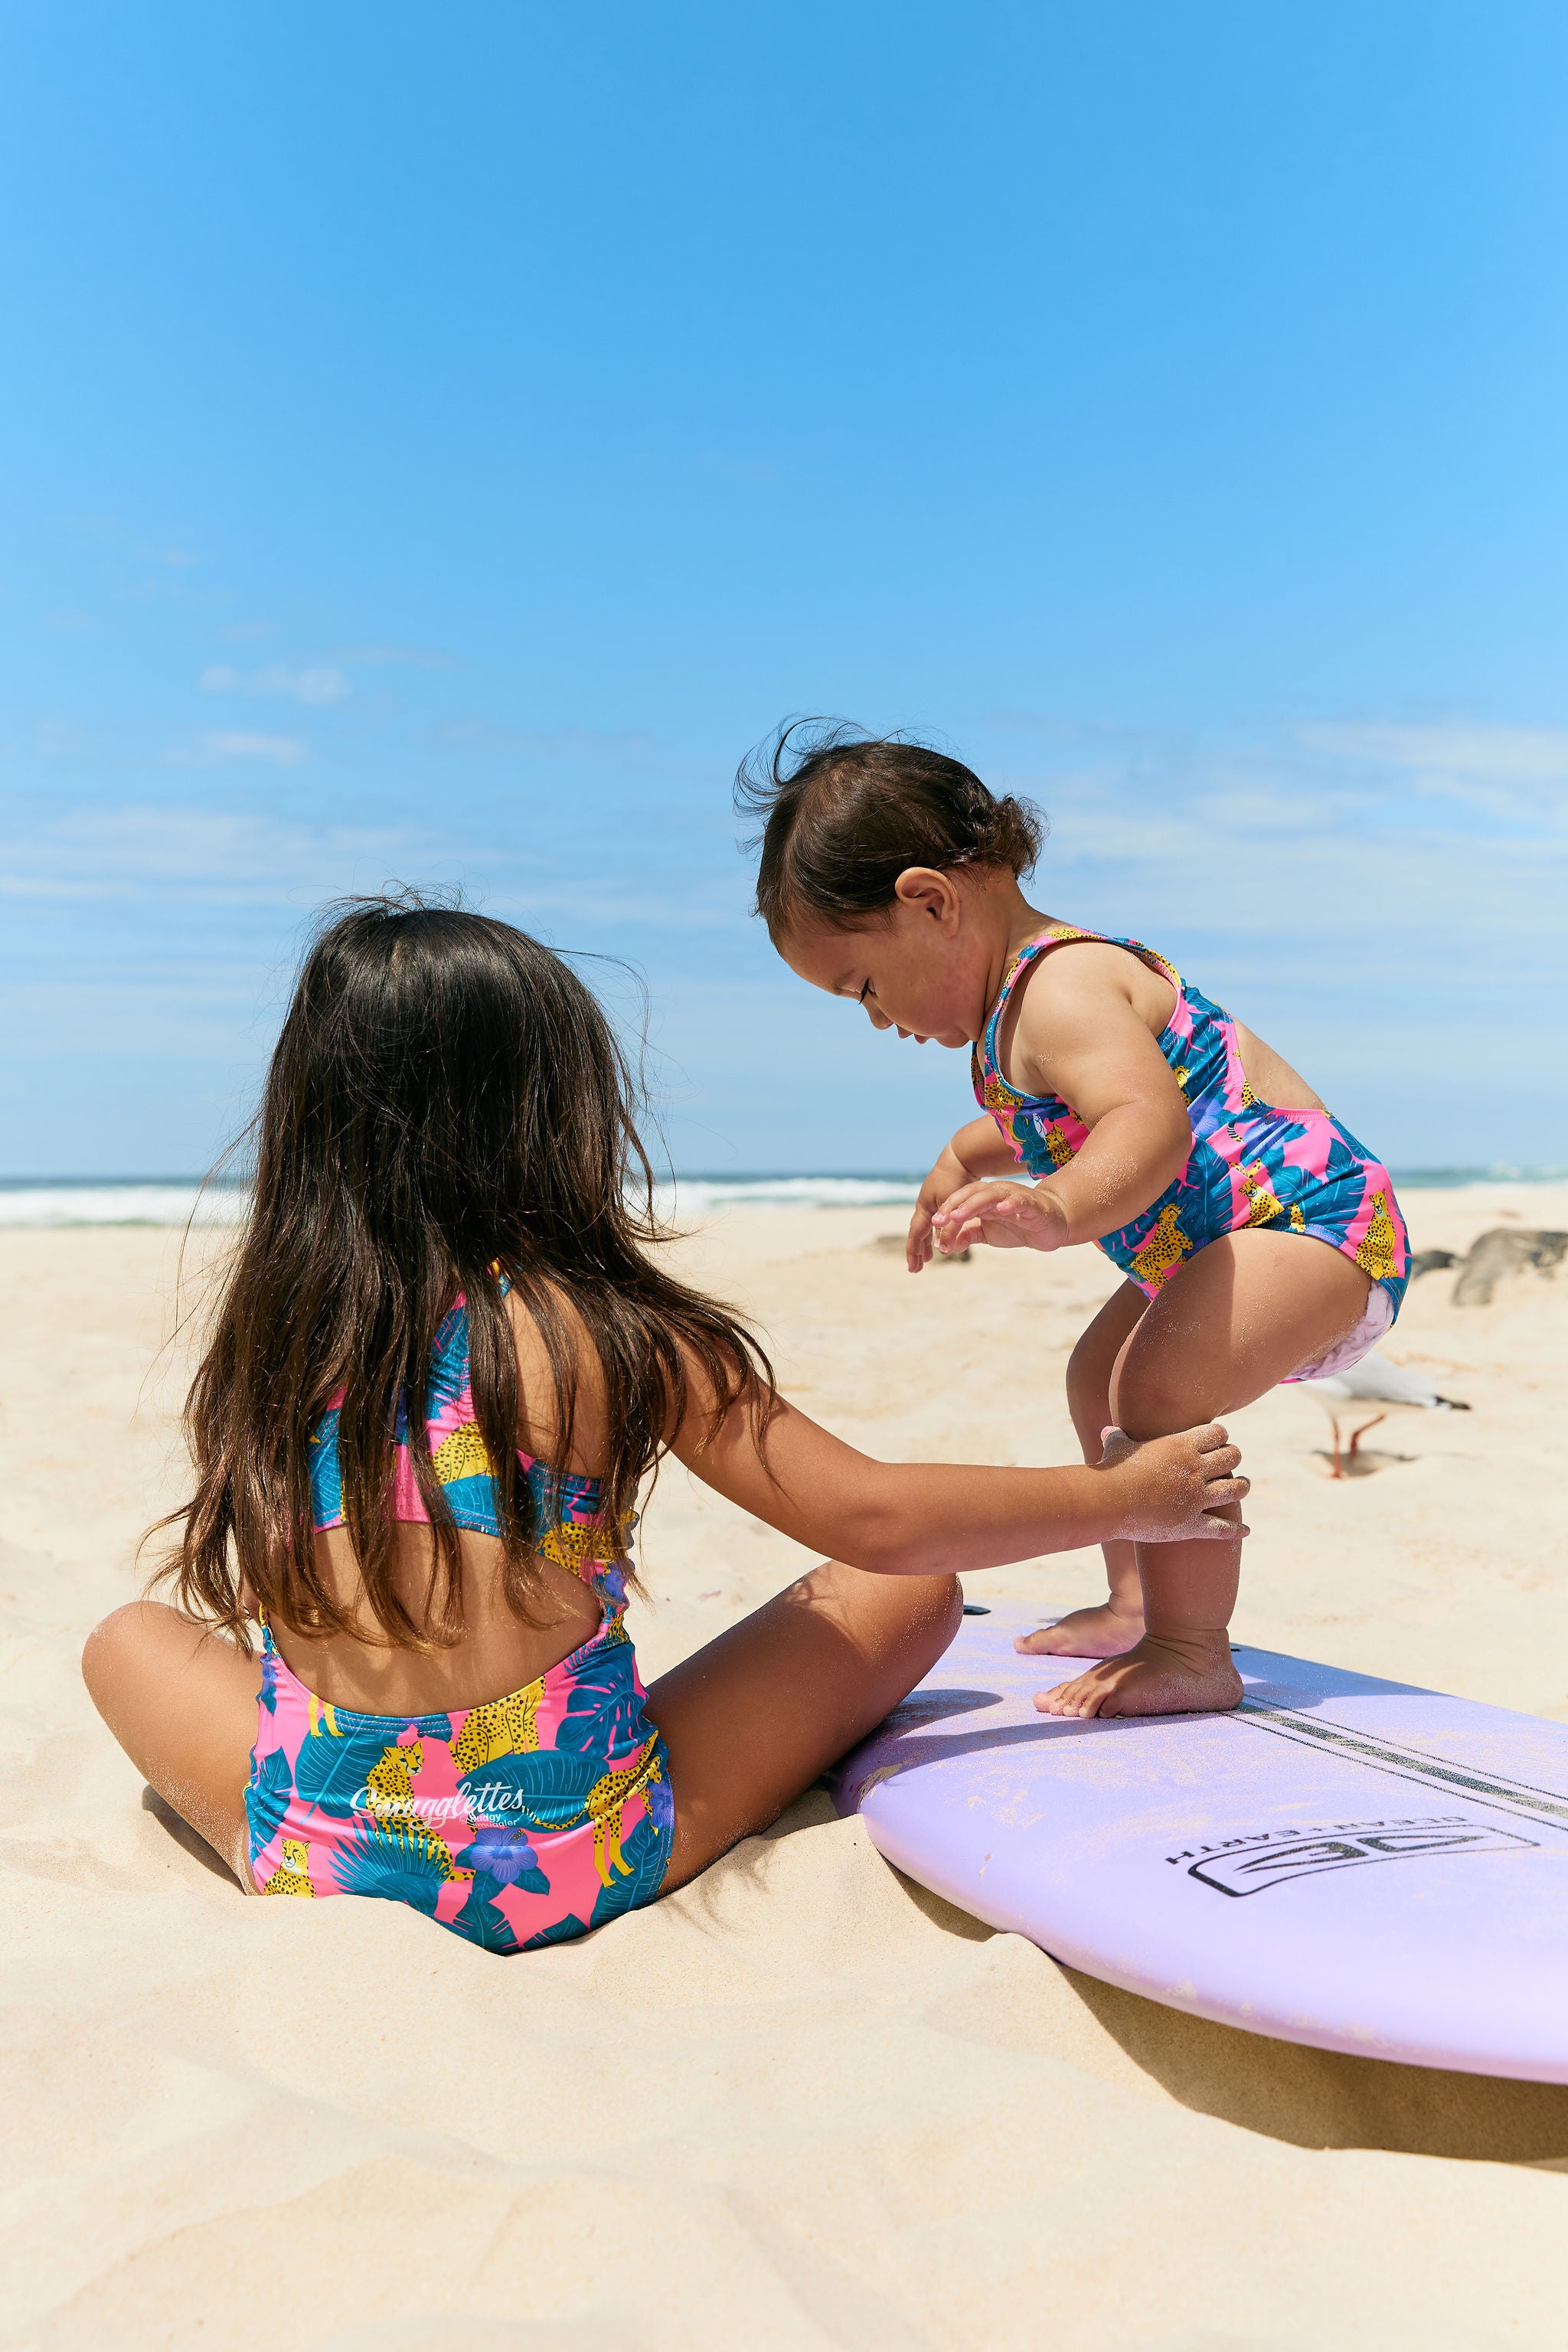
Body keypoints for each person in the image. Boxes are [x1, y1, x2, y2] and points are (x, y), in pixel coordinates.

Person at [82, 896, 1248, 1952]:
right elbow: (875, 1514)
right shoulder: (606, 1327)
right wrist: (1123, 1497)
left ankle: (298, 1840)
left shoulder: (281, 1332)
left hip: (320, 1843)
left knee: (125, 1641)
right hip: (563, 1858)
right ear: (547, 1117)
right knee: (907, 1590)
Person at [743, 725, 1407, 1722]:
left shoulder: (1063, 986)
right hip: (1223, 1241)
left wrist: (1055, 1209)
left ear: (929, 900)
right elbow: (1046, 1118)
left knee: (1157, 1387)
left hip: (1313, 1223)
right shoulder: (1017, 1019)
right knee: (1096, 1380)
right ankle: (1136, 1599)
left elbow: (1146, 1119)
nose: (876, 1018)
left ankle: (1194, 1647)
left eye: (864, 985)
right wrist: (965, 1158)